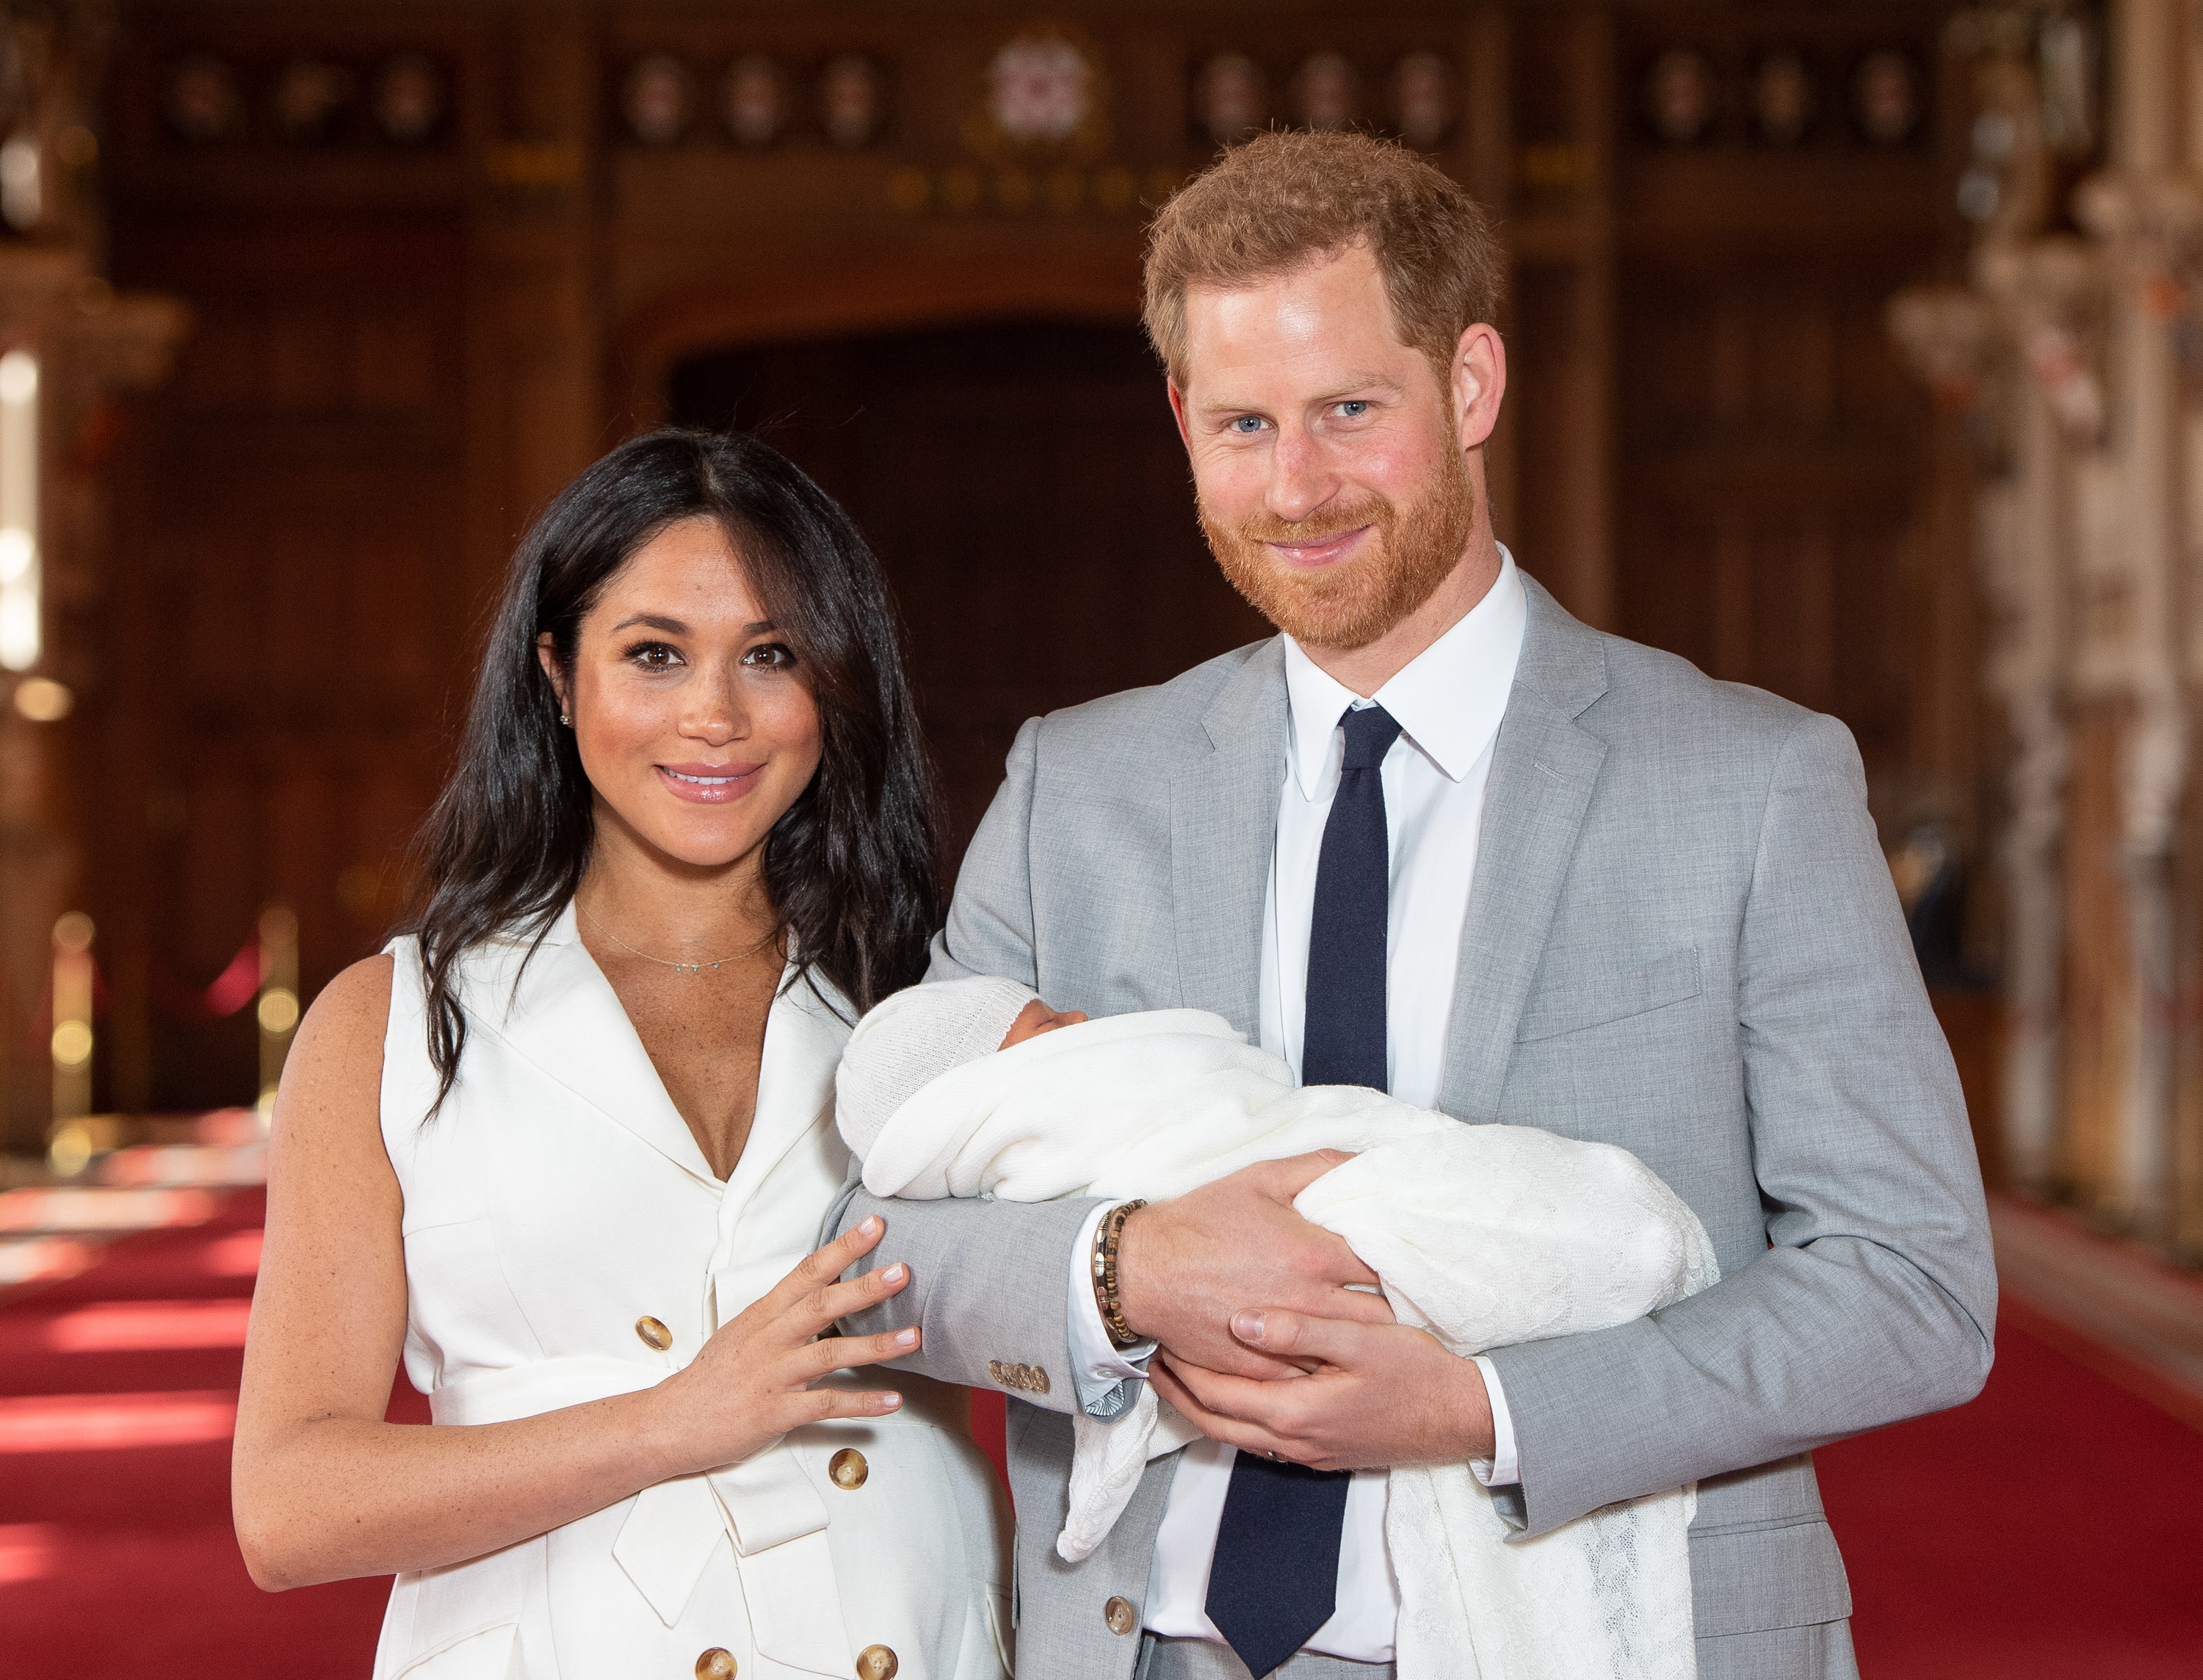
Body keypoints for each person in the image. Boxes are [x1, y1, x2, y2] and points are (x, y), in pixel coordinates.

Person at [833, 131, 1996, 1680]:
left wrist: (1484, 1409)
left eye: (1350, 411)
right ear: (1183, 421)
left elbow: (1913, 1280)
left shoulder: (1751, 784)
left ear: (1470, 389)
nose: (1295, 485)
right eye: (1242, 421)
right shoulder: (1078, 789)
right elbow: (885, 1234)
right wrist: (1129, 1273)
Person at [232, 430, 1012, 1680]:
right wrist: (670, 1423)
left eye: (773, 655)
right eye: (655, 653)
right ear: (556, 670)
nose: (715, 715)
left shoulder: (933, 997)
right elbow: (286, 1505)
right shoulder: (391, 1022)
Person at [833, 974, 1717, 1680]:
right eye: (1046, 1027)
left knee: (1500, 1215)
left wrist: (1485, 1407)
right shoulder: (1047, 794)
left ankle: (1609, 1234)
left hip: (1448, 1588)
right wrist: (1126, 1269)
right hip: (1141, 1645)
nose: (1081, 1018)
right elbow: (868, 1246)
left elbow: (1234, 1098)